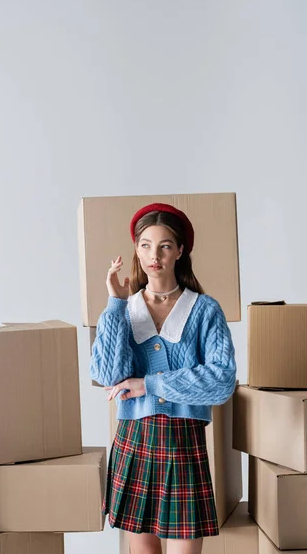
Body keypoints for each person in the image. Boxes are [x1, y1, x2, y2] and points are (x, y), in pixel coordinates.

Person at [90, 202, 236, 554]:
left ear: (181, 251)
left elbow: (222, 381)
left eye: (165, 246)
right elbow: (108, 375)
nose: (153, 255)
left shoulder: (204, 310)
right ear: (136, 250)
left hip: (183, 444)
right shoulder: (124, 310)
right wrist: (114, 303)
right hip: (133, 442)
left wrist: (149, 384)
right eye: (145, 245)